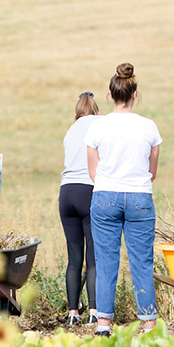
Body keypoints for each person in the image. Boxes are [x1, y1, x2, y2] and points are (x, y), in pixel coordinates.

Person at [85, 63, 161, 335]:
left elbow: (93, 171)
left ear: (110, 94)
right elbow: (152, 171)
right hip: (140, 195)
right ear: (134, 94)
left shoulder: (98, 126)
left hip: (105, 194)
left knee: (106, 260)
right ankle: (149, 324)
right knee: (142, 261)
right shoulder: (149, 127)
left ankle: (103, 324)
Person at [59, 92, 102, 327]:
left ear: (76, 113)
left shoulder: (70, 131)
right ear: (96, 110)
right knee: (93, 258)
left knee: (74, 258)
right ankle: (94, 311)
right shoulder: (100, 123)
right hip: (88, 191)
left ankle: (73, 314)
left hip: (66, 193)